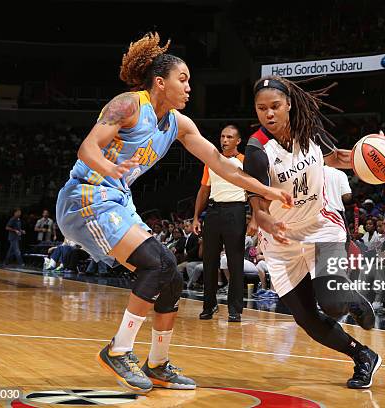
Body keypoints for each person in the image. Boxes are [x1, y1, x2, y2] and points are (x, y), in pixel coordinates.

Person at [55, 33, 291, 394]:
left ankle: (159, 363)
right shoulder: (129, 105)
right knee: (159, 264)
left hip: (116, 200)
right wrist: (109, 167)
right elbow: (87, 147)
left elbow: (222, 164)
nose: (189, 88)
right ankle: (119, 350)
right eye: (183, 80)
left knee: (172, 279)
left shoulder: (178, 124)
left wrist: (267, 190)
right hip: (86, 197)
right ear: (161, 83)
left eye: (191, 82)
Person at [244, 75, 385, 389]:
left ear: (288, 104)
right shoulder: (256, 150)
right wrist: (267, 223)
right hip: (281, 240)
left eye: (275, 106)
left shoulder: (310, 132)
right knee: (307, 320)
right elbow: (258, 208)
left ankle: (352, 299)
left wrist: (383, 155)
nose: (269, 114)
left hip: (321, 228)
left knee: (331, 301)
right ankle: (363, 356)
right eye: (262, 109)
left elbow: (341, 159)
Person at [192, 125, 246, 322]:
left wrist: (255, 219)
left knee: (235, 262)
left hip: (236, 211)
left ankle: (235, 309)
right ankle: (209, 305)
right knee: (209, 262)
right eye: (222, 136)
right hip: (213, 212)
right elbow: (204, 190)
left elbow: (254, 191)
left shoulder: (245, 161)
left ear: (238, 141)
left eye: (229, 137)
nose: (224, 140)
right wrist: (196, 217)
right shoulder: (211, 161)